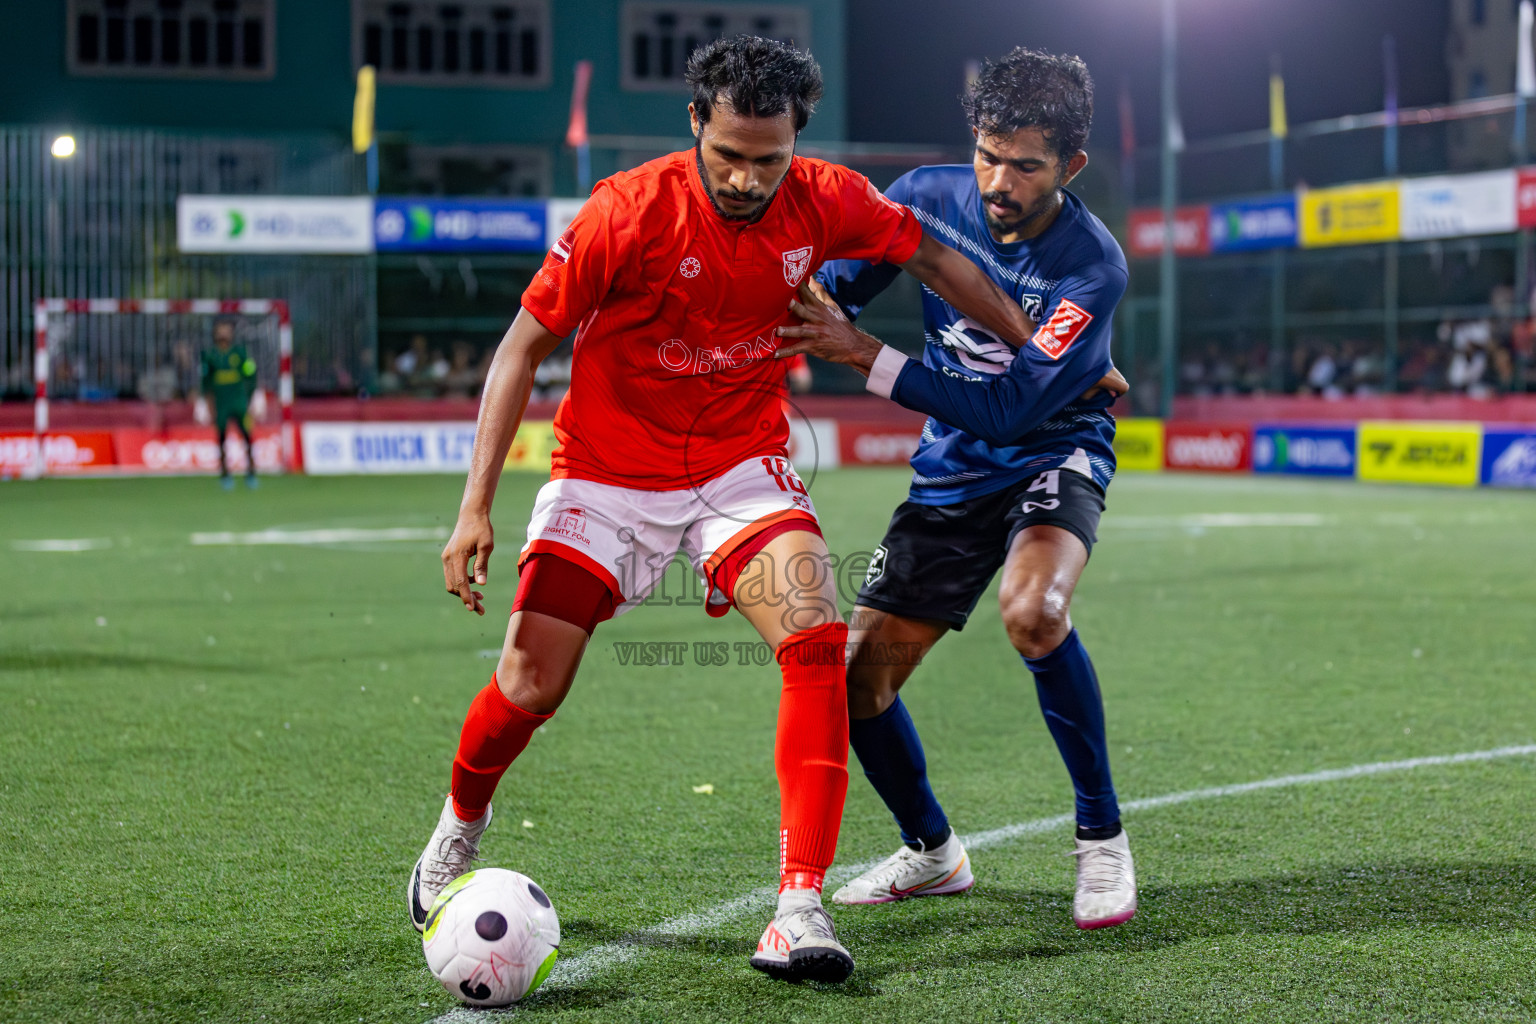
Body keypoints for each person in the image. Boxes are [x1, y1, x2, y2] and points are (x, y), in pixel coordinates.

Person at [409, 35, 1041, 984]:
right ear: (696, 122)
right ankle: (459, 828)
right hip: (606, 474)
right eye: (729, 155)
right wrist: (474, 510)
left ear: (799, 141)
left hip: (739, 466)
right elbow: (519, 350)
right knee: (532, 683)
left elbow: (937, 260)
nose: (747, 179)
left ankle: (799, 906)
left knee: (816, 639)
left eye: (768, 159)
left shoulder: (826, 198)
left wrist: (1038, 349)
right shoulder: (626, 212)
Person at [776, 47, 1137, 930]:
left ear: (1071, 166)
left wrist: (865, 357)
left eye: (1026, 164)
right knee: (854, 684)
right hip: (953, 472)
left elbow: (1014, 411)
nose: (998, 181)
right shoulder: (925, 198)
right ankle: (933, 853)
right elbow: (834, 297)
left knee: (1033, 611)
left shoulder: (1092, 266)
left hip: (1051, 452)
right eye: (986, 152)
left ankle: (1102, 840)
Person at [199, 319, 258, 489]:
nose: (223, 334)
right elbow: (206, 382)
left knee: (247, 435)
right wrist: (208, 405)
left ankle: (251, 472)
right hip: (221, 403)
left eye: (226, 330)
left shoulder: (240, 354)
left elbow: (251, 375)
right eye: (220, 330)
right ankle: (225, 473)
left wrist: (252, 397)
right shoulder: (209, 356)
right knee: (222, 437)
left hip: (239, 402)